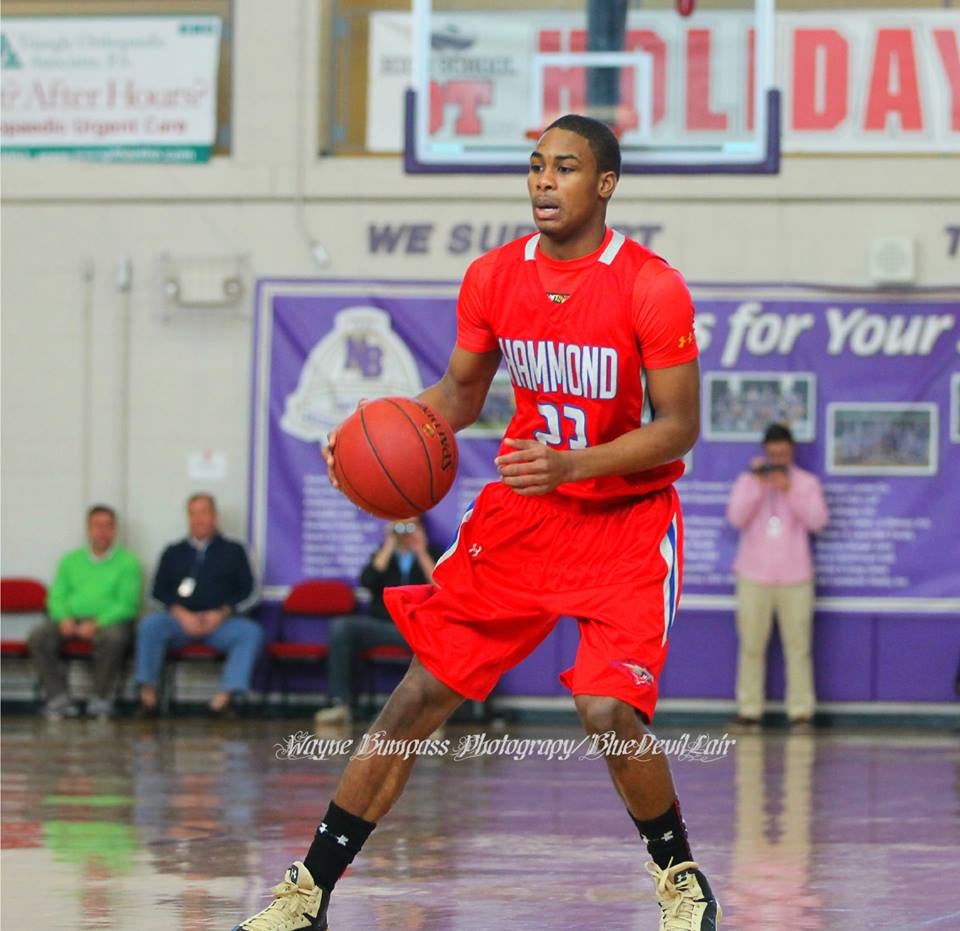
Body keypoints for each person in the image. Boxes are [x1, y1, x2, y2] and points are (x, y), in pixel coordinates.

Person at [233, 114, 720, 931]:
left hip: (627, 521)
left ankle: (679, 877)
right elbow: (458, 395)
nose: (542, 181)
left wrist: (576, 464)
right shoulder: (494, 276)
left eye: (564, 168)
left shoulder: (649, 284)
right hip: (527, 515)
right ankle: (307, 889)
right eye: (534, 166)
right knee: (418, 694)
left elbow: (679, 427)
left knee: (606, 710)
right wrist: (362, 434)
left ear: (604, 184)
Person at [726, 423, 829, 731]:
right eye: (773, 454)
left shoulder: (807, 483)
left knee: (798, 647)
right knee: (751, 646)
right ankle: (749, 710)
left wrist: (789, 489)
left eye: (783, 454)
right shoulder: (748, 481)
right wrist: (760, 485)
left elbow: (818, 521)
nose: (778, 459)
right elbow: (735, 518)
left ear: (791, 452)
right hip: (753, 575)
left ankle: (800, 713)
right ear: (764, 453)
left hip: (796, 577)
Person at [134, 493, 261, 717]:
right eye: (193, 514)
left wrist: (222, 613)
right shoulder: (173, 552)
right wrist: (179, 612)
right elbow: (154, 593)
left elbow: (251, 592)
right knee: (150, 626)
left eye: (204, 513)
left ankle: (223, 701)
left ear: (215, 516)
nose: (199, 520)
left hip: (220, 623)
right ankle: (148, 697)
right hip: (179, 622)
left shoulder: (235, 550)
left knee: (250, 633)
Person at [314, 517, 443, 728]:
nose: (405, 531)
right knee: (342, 627)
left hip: (418, 626)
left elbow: (442, 586)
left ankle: (430, 714)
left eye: (411, 525)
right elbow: (368, 581)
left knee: (444, 637)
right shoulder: (383, 554)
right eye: (400, 526)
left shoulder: (434, 553)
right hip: (383, 624)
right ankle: (339, 704)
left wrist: (421, 552)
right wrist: (389, 544)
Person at [28, 504, 141, 720]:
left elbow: (127, 604)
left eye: (108, 526)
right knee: (39, 636)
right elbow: (56, 595)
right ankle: (58, 699)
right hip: (70, 619)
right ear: (88, 529)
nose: (102, 531)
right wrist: (64, 618)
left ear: (115, 530)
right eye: (97, 526)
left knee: (115, 638)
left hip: (108, 622)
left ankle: (99, 699)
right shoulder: (70, 561)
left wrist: (97, 623)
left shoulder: (129, 563)